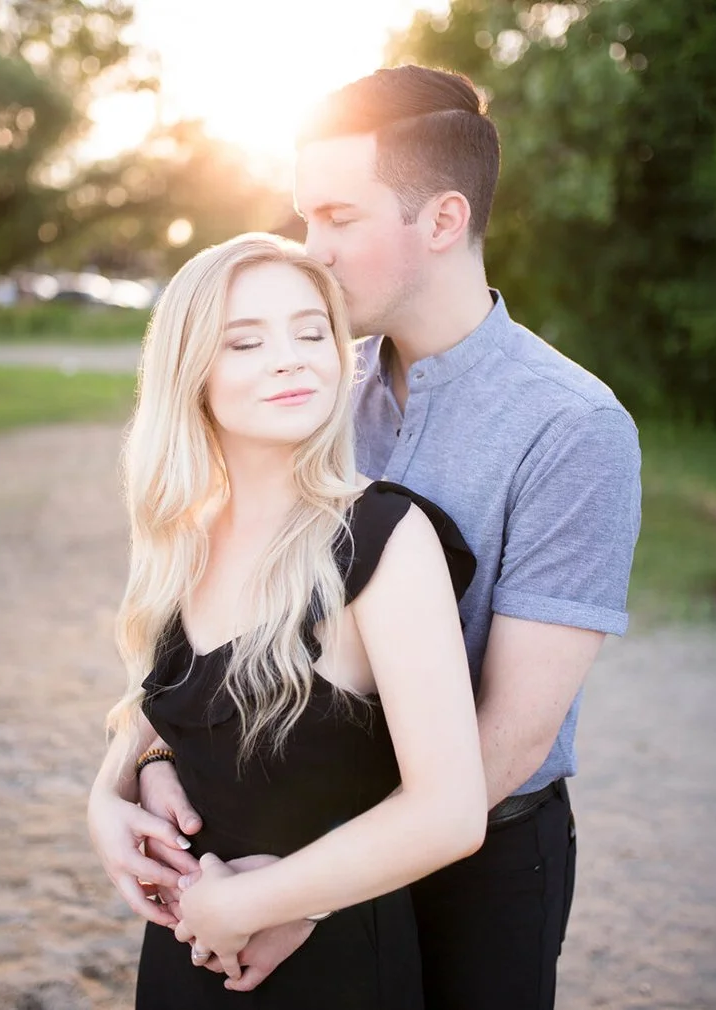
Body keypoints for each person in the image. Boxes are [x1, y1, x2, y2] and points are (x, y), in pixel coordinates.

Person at [92, 64, 642, 1009]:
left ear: (441, 221)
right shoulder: (308, 377)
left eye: (339, 219)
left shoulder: (572, 427)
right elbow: (211, 609)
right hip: (288, 833)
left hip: (482, 860)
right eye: (306, 217)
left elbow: (508, 736)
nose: (314, 249)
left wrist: (307, 894)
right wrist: (133, 768)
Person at [88, 231, 488, 1009]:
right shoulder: (185, 533)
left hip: (323, 964)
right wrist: (110, 791)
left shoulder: (383, 539)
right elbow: (162, 705)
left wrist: (248, 905)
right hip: (183, 956)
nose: (291, 357)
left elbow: (449, 813)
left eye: (312, 332)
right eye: (247, 341)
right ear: (191, 371)